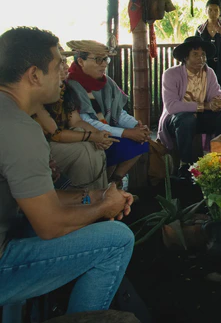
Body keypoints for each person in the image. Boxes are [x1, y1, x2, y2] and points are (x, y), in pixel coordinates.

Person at [0, 27, 134, 313]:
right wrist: (104, 209)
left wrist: (94, 196)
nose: (64, 70)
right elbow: (49, 225)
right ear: (35, 75)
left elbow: (31, 200)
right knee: (117, 239)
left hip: (11, 230)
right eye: (58, 64)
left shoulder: (10, 114)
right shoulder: (19, 129)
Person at [66, 40, 150, 188]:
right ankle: (102, 190)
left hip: (107, 132)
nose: (104, 64)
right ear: (81, 61)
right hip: (85, 137)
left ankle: (115, 181)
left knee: (142, 142)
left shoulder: (107, 83)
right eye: (98, 59)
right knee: (119, 143)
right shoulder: (71, 85)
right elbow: (86, 121)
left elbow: (119, 112)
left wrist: (136, 126)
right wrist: (126, 133)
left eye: (106, 59)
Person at [33, 46, 115, 191]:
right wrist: (92, 136)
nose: (65, 67)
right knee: (83, 151)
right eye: (60, 63)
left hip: (59, 141)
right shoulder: (37, 93)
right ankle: (85, 199)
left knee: (95, 147)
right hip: (41, 147)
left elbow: (76, 120)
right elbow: (55, 133)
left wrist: (99, 135)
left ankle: (100, 196)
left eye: (65, 61)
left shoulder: (66, 89)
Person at [157, 36, 221, 178]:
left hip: (200, 118)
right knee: (186, 120)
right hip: (175, 120)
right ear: (185, 57)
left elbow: (219, 95)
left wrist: (219, 102)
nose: (201, 58)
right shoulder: (171, 74)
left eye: (203, 55)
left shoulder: (209, 72)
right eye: (196, 54)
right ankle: (185, 165)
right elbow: (172, 106)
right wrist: (205, 106)